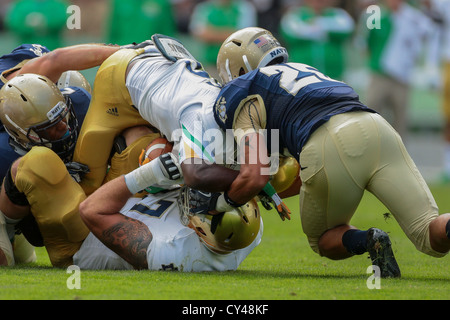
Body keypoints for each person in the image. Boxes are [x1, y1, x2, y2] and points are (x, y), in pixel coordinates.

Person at [205, 27, 450, 278]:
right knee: (430, 234)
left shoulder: (245, 91)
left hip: (328, 139)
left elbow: (255, 174)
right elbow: (300, 176)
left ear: (240, 70)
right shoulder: (305, 72)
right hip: (378, 128)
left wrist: (220, 203)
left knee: (323, 238)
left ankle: (370, 239)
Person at [72, 35, 290, 220]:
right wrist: (253, 183)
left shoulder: (232, 111)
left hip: (160, 78)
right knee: (87, 184)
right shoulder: (206, 111)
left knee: (165, 169)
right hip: (119, 77)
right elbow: (196, 173)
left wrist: (255, 181)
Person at [359, 0, 439, 139]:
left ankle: (399, 153)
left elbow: (429, 33)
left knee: (400, 117)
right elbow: (366, 41)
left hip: (402, 75)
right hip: (380, 72)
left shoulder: (413, 17)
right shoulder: (376, 15)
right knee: (371, 113)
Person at [279, 0, 355, 80]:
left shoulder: (339, 14)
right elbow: (292, 33)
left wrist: (314, 25)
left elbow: (346, 28)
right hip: (302, 76)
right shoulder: (294, 14)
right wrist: (326, 31)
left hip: (333, 75)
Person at [188, 0, 257, 77]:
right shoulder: (203, 8)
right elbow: (200, 34)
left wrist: (212, 33)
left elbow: (245, 36)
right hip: (210, 65)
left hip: (238, 67)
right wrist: (229, 33)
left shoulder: (244, 8)